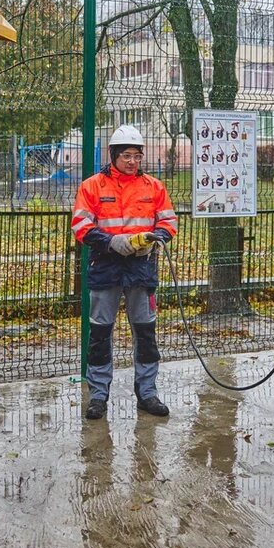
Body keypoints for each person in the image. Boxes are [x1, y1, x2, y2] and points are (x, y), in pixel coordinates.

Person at [72, 125, 178, 420]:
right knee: (100, 331)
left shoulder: (154, 187)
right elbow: (81, 226)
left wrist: (153, 239)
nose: (133, 162)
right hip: (105, 266)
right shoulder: (92, 186)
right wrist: (111, 242)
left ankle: (147, 392)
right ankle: (98, 394)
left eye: (137, 156)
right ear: (114, 155)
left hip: (141, 267)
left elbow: (169, 223)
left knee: (145, 332)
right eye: (127, 156)